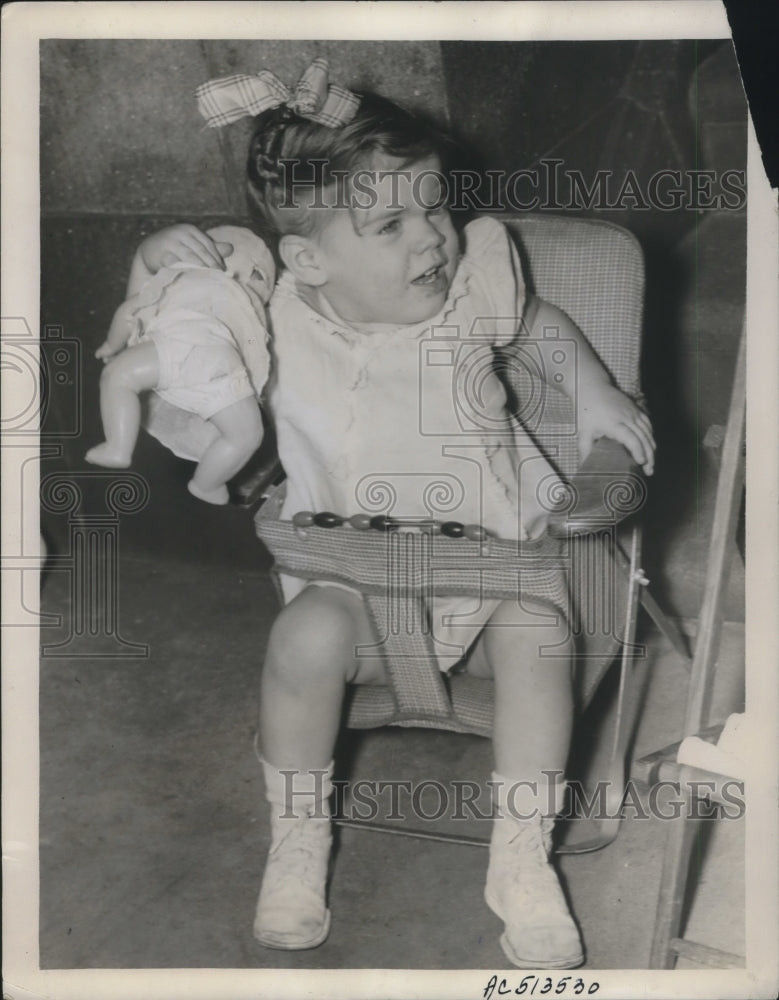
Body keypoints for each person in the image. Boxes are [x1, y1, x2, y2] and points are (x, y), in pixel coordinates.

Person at [137, 59, 655, 968]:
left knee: (539, 640)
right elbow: (175, 306)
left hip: (495, 568)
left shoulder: (470, 297)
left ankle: (520, 856)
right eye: (389, 223)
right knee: (300, 641)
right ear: (306, 258)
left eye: (435, 207)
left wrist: (596, 394)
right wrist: (162, 251)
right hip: (348, 575)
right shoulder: (266, 315)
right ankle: (298, 838)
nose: (431, 239)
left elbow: (535, 328)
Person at [86, 225, 274, 505]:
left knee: (116, 376)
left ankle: (119, 446)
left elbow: (128, 312)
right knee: (246, 435)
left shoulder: (180, 280)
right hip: (218, 368)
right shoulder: (247, 308)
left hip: (174, 351)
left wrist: (112, 346)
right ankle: (206, 483)